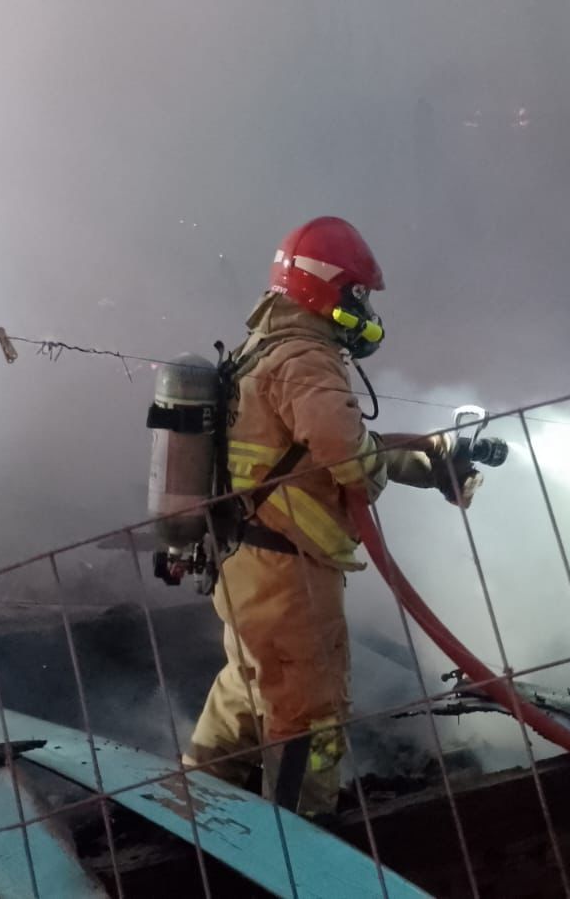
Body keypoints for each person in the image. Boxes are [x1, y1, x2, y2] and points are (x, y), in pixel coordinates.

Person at [184, 216, 479, 816]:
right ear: (326, 289)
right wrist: (371, 473)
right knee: (309, 714)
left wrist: (432, 463)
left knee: (250, 683)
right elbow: (345, 451)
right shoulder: (306, 357)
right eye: (357, 295)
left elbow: (314, 453)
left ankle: (197, 804)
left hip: (249, 560)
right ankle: (300, 841)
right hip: (289, 576)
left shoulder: (261, 350)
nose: (363, 309)